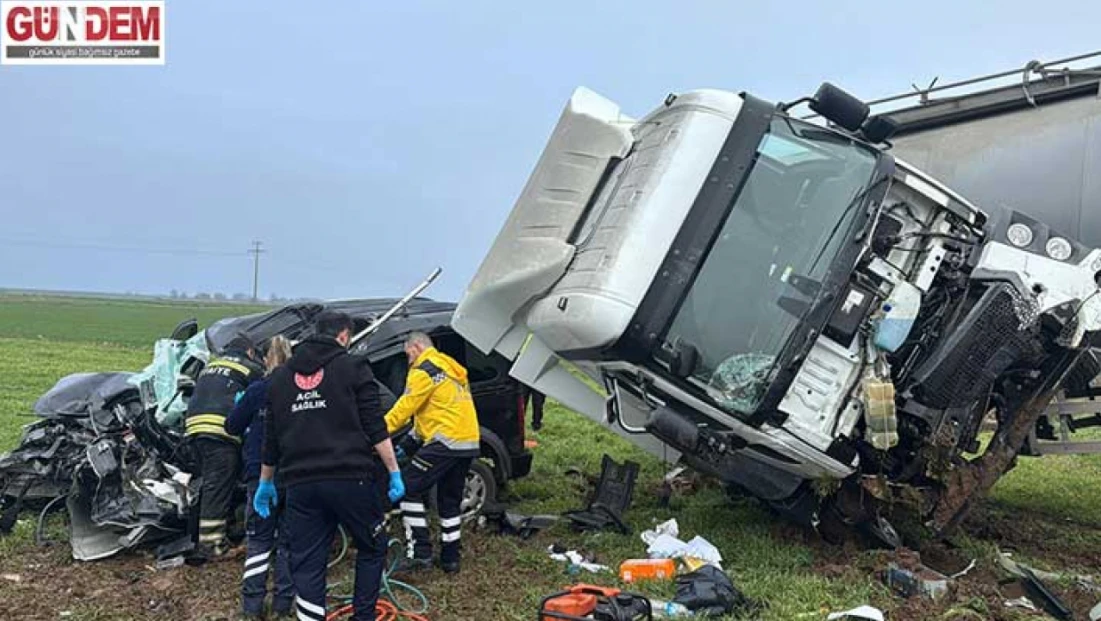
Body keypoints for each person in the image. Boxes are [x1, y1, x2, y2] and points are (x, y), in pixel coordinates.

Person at [255, 311, 405, 621]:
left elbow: (271, 440)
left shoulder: (280, 378)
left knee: (307, 560)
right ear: (343, 336)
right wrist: (394, 471)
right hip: (350, 478)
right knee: (372, 546)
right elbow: (375, 427)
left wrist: (265, 483)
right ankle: (363, 617)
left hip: (300, 484)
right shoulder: (353, 367)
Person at [385, 331, 480, 574]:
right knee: (449, 501)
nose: (406, 357)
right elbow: (431, 415)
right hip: (467, 442)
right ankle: (450, 559)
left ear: (416, 346)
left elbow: (403, 410)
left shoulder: (422, 370)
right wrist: (406, 445)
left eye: (407, 351)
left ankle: (420, 554)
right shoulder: (449, 368)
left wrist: (376, 434)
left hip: (445, 442)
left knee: (407, 490)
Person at [225, 335, 295, 620]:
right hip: (292, 474)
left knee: (259, 540)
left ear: (266, 359)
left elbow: (232, 426)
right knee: (289, 542)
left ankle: (252, 607)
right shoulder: (297, 391)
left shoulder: (257, 390)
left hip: (259, 475)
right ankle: (282, 605)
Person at [185, 334, 264, 559]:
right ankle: (212, 546)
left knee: (212, 483)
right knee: (217, 487)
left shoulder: (211, 366)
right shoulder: (250, 368)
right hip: (220, 431)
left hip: (195, 430)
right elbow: (261, 396)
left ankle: (212, 534)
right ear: (250, 352)